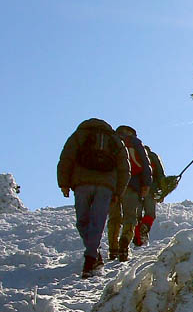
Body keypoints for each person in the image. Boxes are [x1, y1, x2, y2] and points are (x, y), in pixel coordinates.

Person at [57, 118, 130, 278]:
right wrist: (118, 192)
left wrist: (64, 183)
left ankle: (90, 259)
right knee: (97, 222)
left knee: (82, 221)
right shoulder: (114, 140)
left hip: (82, 184)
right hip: (106, 186)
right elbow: (125, 168)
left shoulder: (79, 135)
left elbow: (66, 158)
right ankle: (93, 255)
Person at [107, 125, 153, 262]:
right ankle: (124, 245)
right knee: (130, 217)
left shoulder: (110, 141)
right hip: (131, 185)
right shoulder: (134, 142)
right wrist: (146, 184)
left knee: (114, 218)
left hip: (112, 186)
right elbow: (145, 163)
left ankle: (113, 248)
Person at [135, 144, 166, 246]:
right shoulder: (152, 156)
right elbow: (160, 174)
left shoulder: (133, 154)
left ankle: (138, 240)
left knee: (136, 216)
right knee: (150, 213)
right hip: (151, 188)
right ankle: (145, 226)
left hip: (135, 188)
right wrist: (162, 191)